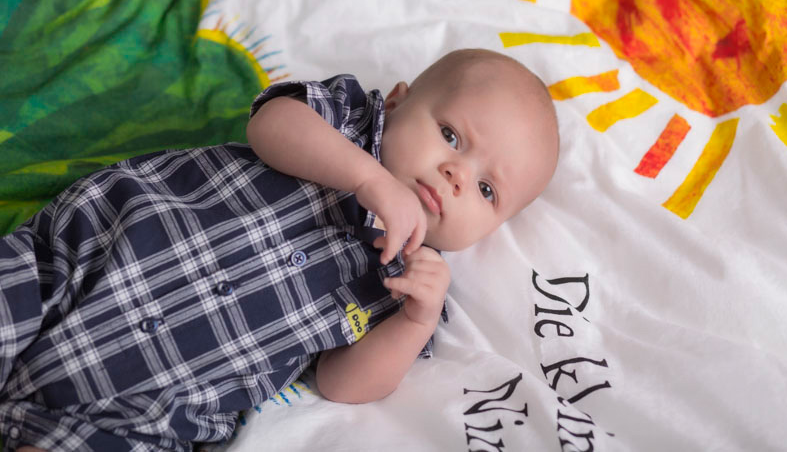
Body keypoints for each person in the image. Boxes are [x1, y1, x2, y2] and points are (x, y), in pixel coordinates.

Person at [0, 48, 559, 451]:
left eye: (487, 190)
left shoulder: (409, 284)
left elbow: (340, 383)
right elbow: (271, 122)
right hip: (84, 264)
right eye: (451, 136)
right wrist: (368, 179)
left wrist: (415, 323)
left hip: (156, 402)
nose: (457, 175)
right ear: (397, 102)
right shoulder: (348, 123)